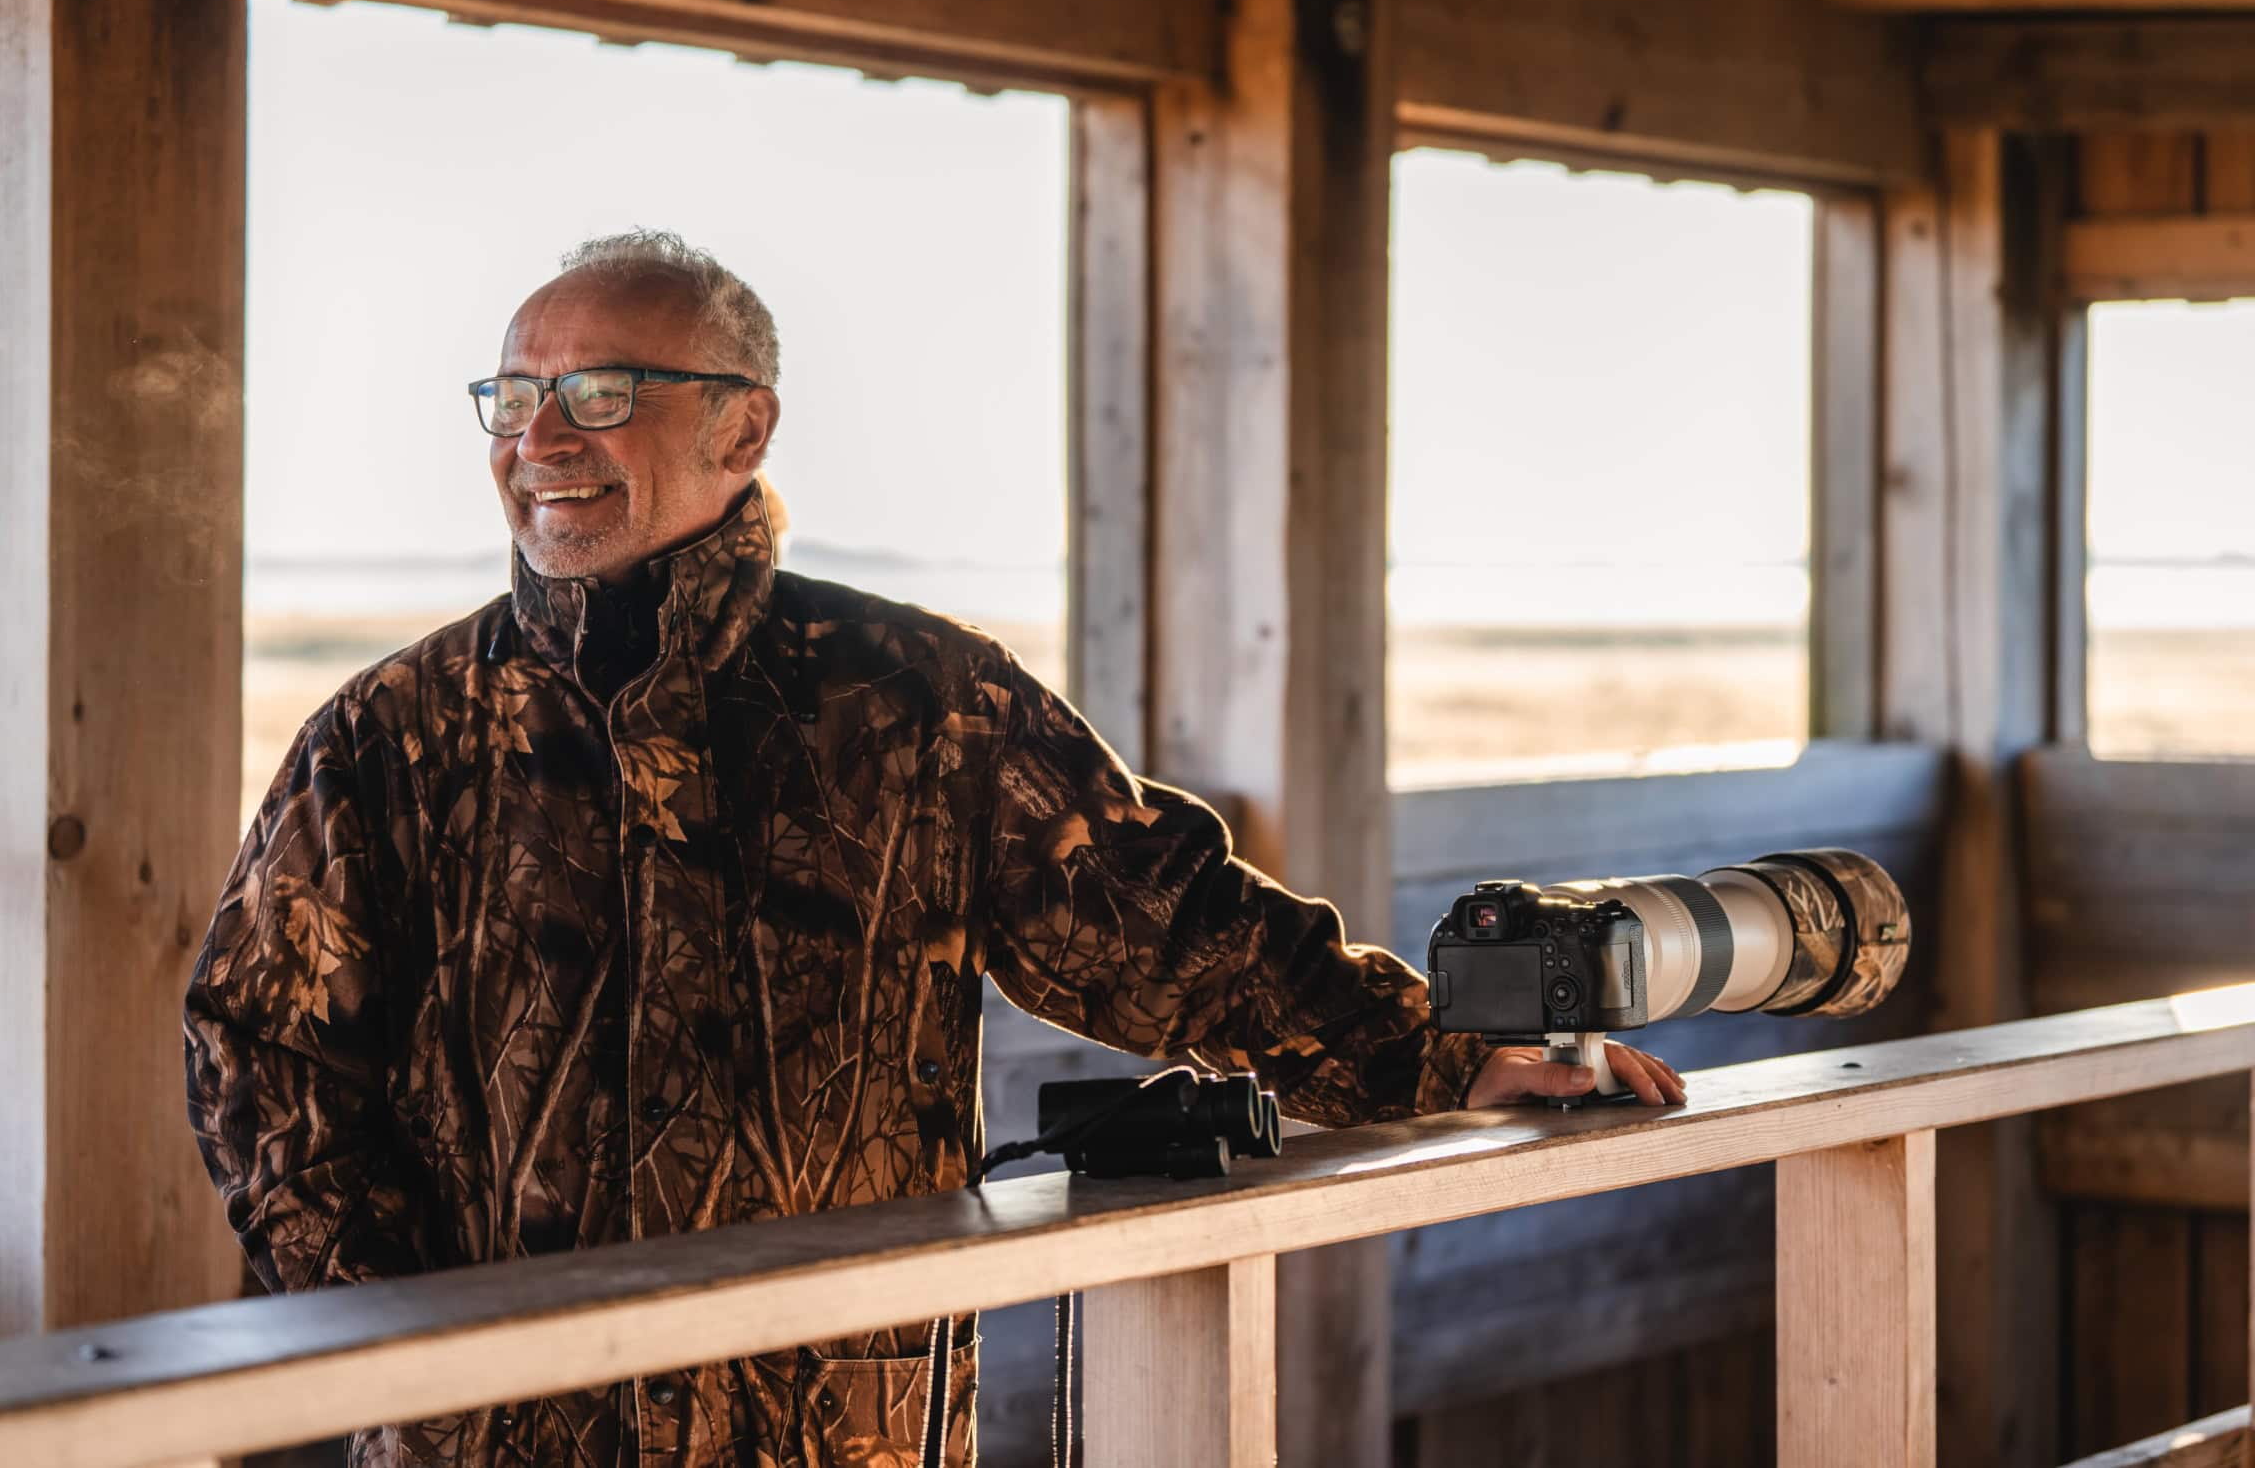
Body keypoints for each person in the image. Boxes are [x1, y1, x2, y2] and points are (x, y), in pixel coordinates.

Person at [183, 230, 1685, 1468]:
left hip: (847, 1433)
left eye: (597, 394)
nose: (537, 443)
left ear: (742, 423)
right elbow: (259, 1047)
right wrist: (412, 1341)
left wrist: (1439, 1060)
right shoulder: (391, 738)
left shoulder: (915, 702)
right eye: (510, 399)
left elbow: (1162, 929)